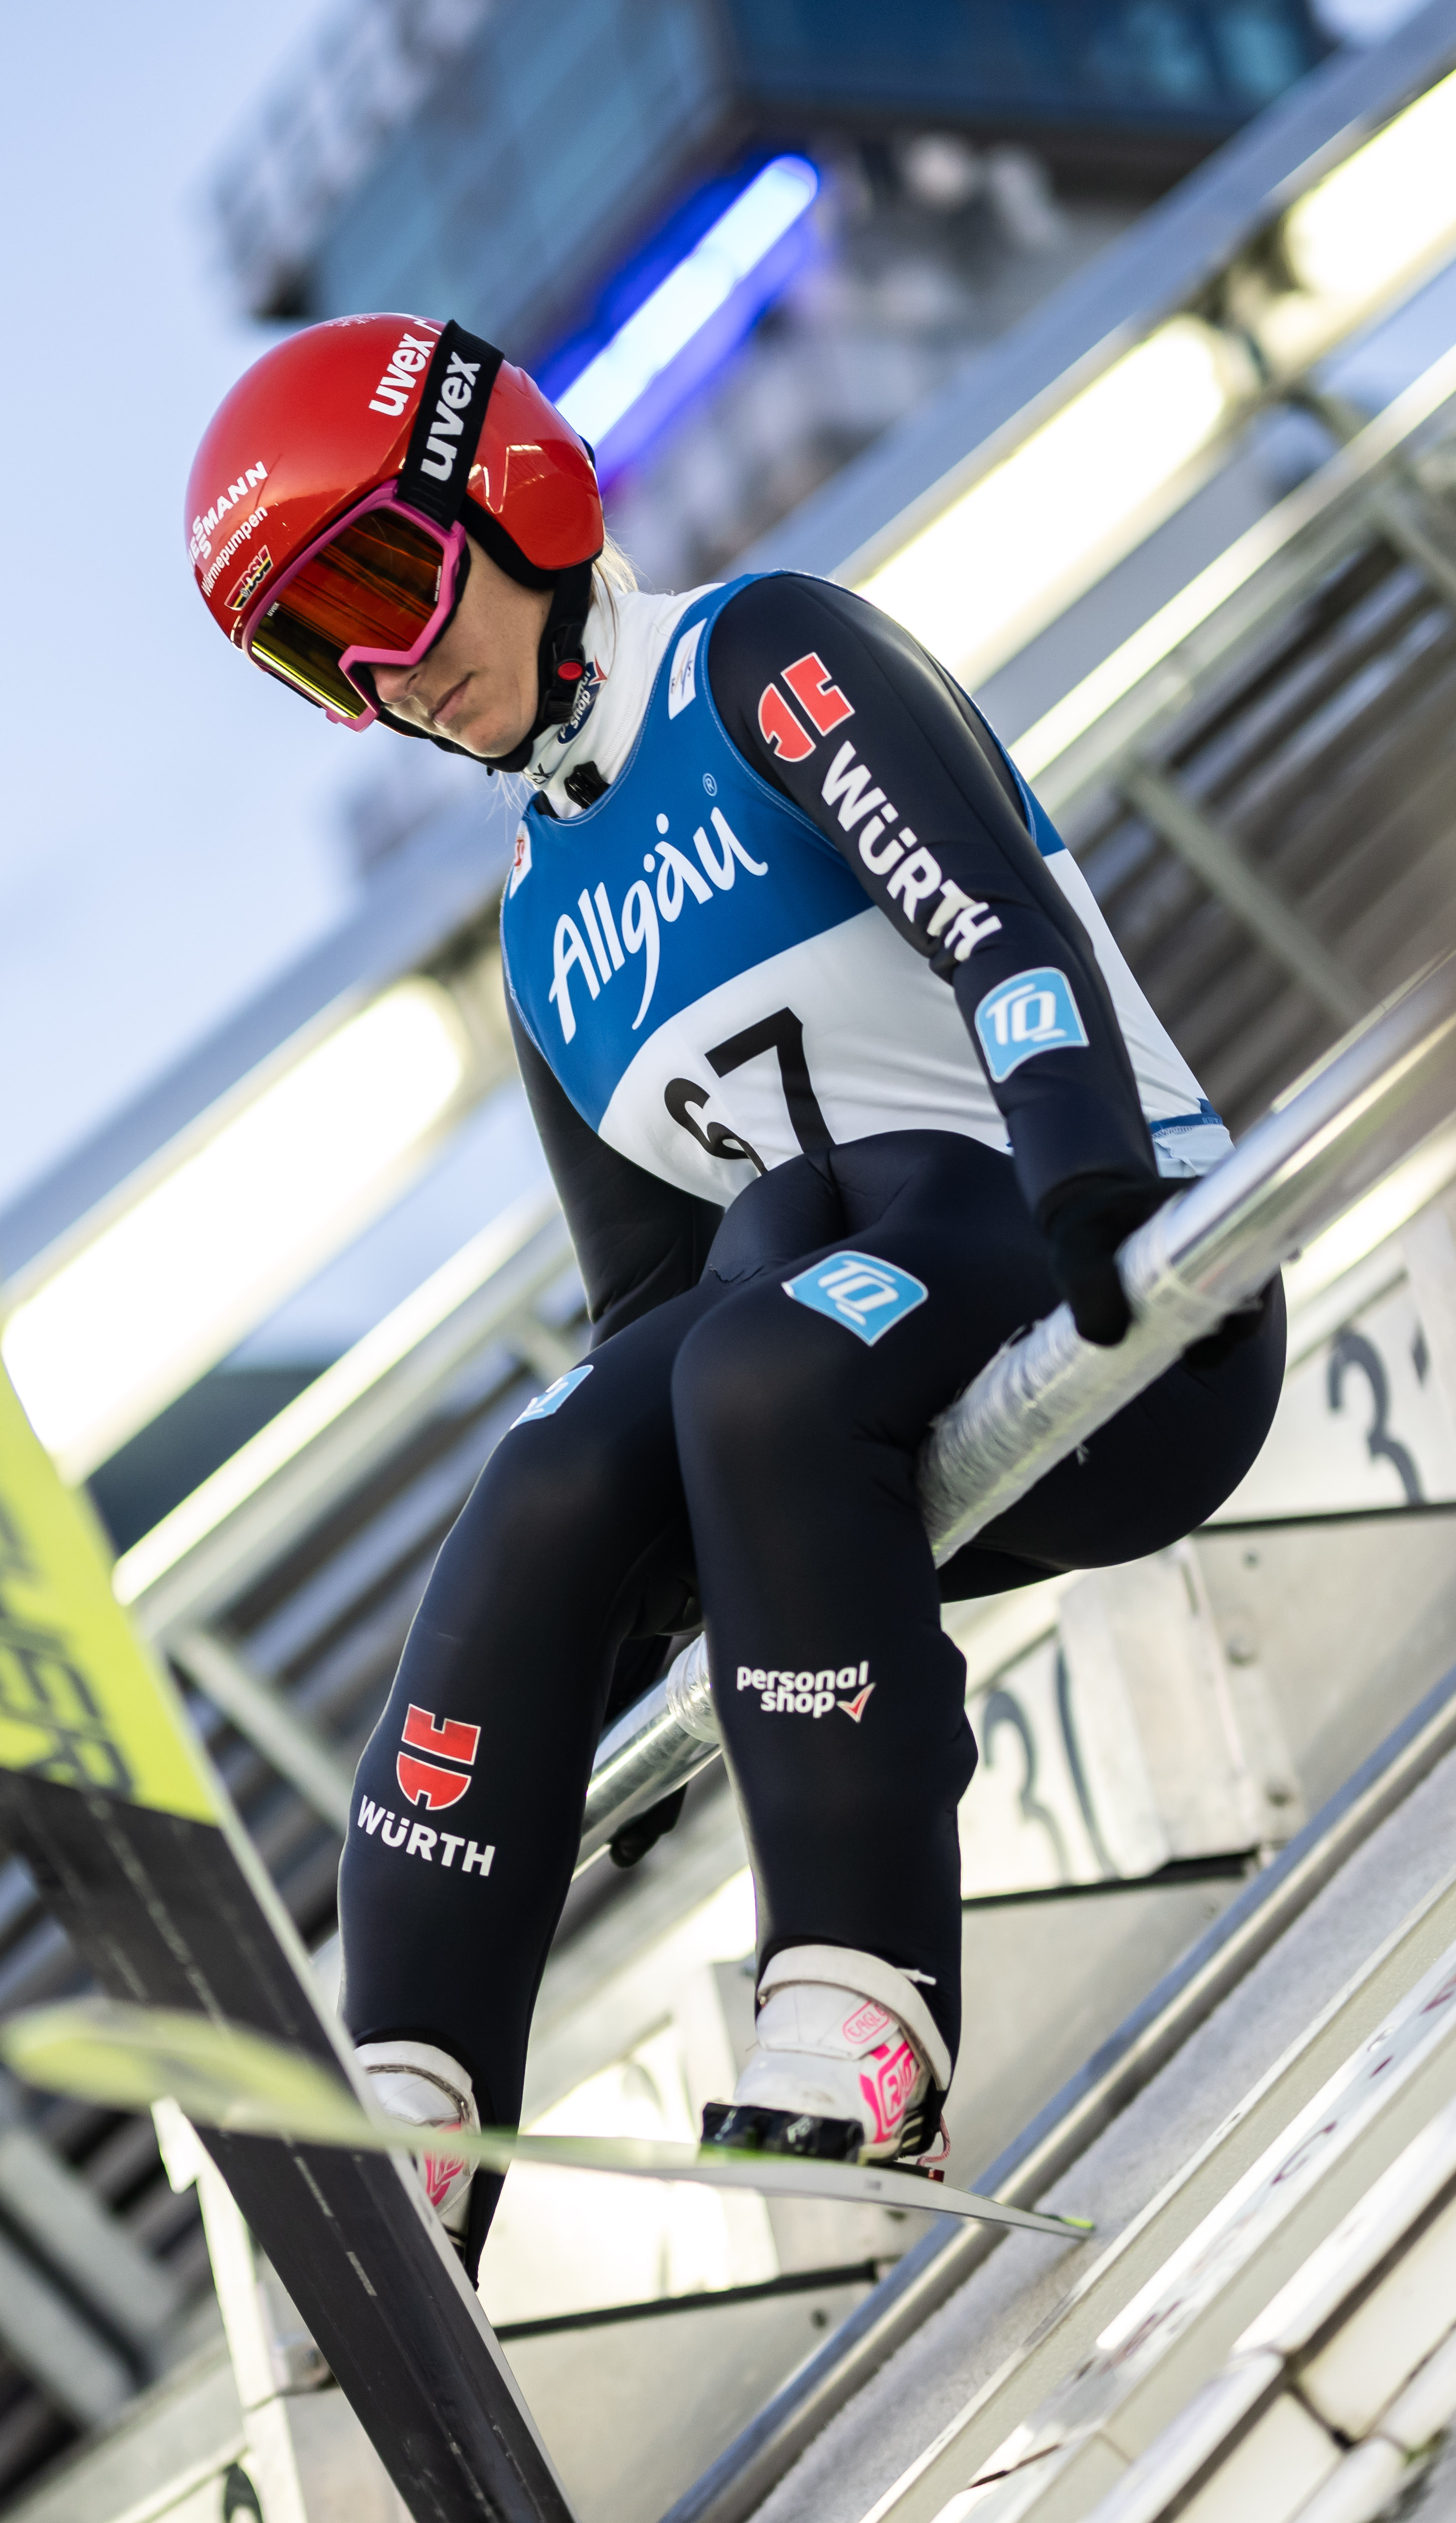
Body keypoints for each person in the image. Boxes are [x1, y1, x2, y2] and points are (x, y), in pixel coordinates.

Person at [185, 314, 1280, 2265]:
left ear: (505, 487)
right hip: (850, 1354)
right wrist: (584, 1676)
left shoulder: (762, 659)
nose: (382, 668)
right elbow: (643, 1327)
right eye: (310, 651)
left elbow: (991, 914)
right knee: (545, 1466)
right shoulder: (541, 936)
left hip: (1108, 1281)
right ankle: (414, 2106)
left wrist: (1100, 1174)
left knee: (763, 1367)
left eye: (378, 578)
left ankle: (867, 2006)